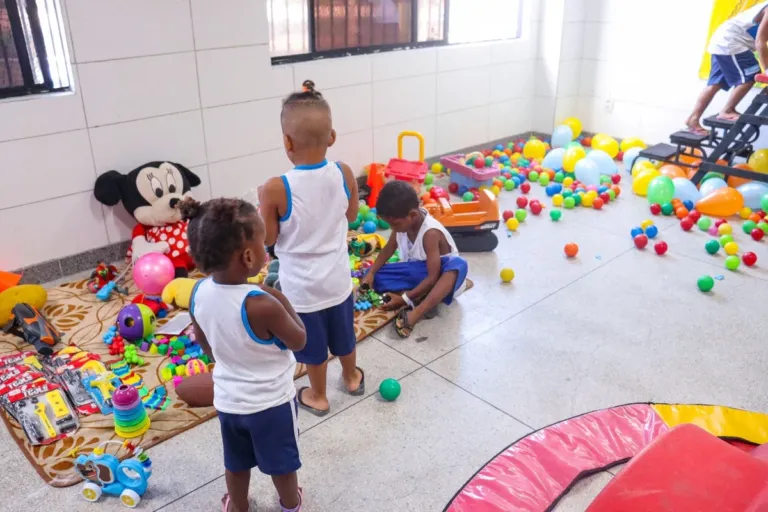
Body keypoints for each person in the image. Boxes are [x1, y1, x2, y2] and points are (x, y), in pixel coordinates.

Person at [181, 197, 307, 512]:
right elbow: (300, 340)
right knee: (281, 463)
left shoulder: (197, 292)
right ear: (249, 256)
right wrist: (279, 296)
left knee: (236, 461)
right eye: (264, 243)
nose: (267, 248)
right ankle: (290, 503)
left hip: (228, 401)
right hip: (271, 404)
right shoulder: (261, 304)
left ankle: (238, 504)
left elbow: (205, 344)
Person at [259, 80, 364, 417]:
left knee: (314, 346)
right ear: (331, 136)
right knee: (344, 334)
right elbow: (351, 215)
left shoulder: (276, 188)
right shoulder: (344, 172)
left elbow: (268, 240)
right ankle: (351, 377)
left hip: (302, 289)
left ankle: (318, 395)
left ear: (287, 142)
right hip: (337, 280)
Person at [360, 181, 468, 338]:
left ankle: (418, 311)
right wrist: (371, 273)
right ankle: (422, 296)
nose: (392, 228)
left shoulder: (430, 233)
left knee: (459, 264)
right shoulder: (401, 227)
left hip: (441, 280)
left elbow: (433, 277)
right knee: (373, 273)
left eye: (395, 224)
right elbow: (388, 249)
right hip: (418, 275)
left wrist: (404, 298)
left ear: (412, 215)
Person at [686, 1, 768, 134]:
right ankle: (727, 111)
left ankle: (692, 119)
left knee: (716, 83)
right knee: (750, 75)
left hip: (723, 40)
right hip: (731, 42)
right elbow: (760, 41)